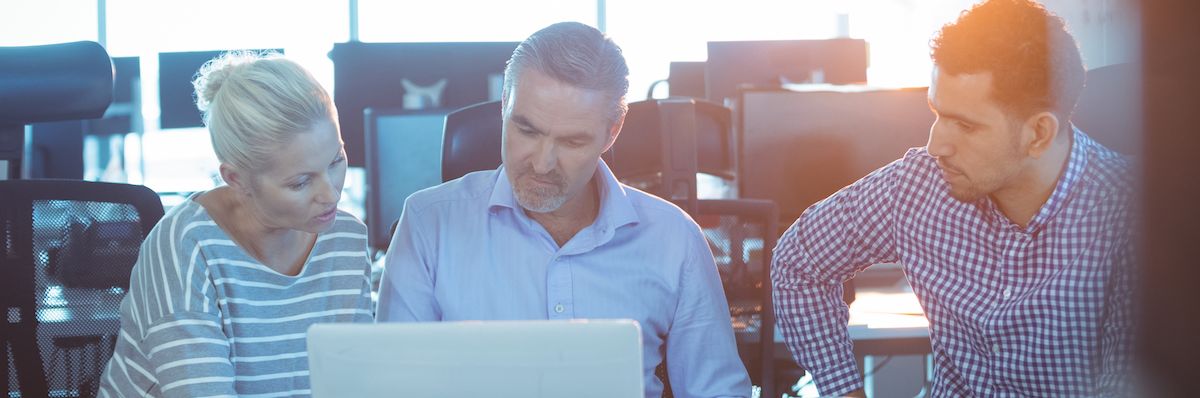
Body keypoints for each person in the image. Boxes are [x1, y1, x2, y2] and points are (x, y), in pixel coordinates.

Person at [771, 0, 1135, 396]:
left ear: (1039, 135)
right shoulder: (918, 184)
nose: (935, 144)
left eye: (965, 125)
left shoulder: (1133, 216)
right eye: (937, 112)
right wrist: (843, 390)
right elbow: (798, 262)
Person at [377, 22, 751, 398]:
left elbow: (717, 390)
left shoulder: (674, 238)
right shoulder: (429, 225)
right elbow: (392, 389)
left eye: (572, 141)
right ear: (505, 104)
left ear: (612, 132)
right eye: (527, 130)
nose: (542, 163)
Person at [99, 52, 374, 397]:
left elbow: (355, 380)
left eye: (336, 161)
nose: (331, 194)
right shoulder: (186, 244)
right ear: (237, 178)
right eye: (300, 182)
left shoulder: (345, 238)